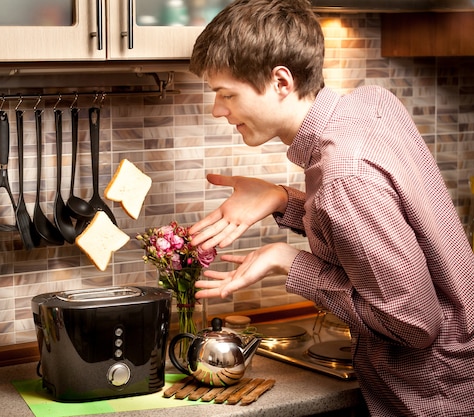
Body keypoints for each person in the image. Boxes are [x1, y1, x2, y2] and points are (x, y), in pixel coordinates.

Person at [187, 0, 474, 415]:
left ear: (281, 82)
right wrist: (281, 198)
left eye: (226, 94)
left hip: (435, 397)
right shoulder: (372, 103)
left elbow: (413, 325)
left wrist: (289, 261)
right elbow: (375, 216)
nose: (219, 110)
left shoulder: (342, 175)